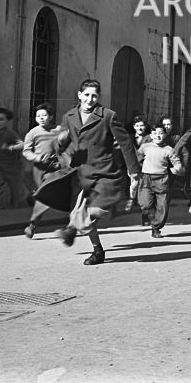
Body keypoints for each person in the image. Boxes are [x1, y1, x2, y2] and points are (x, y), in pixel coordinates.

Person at [53, 79, 139, 265]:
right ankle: (97, 250)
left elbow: (125, 144)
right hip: (81, 172)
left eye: (94, 96)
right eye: (87, 95)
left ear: (98, 97)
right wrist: (60, 140)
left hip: (104, 172)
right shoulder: (69, 116)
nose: (90, 99)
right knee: (80, 210)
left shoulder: (107, 116)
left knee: (93, 210)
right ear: (79, 95)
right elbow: (62, 144)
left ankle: (72, 229)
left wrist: (133, 172)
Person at [22, 103, 65, 238]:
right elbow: (26, 151)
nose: (41, 118)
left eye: (44, 115)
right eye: (38, 116)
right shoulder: (33, 133)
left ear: (51, 117)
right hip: (39, 169)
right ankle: (33, 197)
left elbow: (67, 145)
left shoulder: (58, 130)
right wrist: (38, 157)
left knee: (46, 195)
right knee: (42, 195)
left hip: (54, 169)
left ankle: (32, 225)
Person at [137, 121, 184, 238]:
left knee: (162, 206)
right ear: (151, 135)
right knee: (145, 203)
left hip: (162, 179)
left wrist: (176, 169)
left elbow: (176, 162)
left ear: (164, 135)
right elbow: (136, 159)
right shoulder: (145, 147)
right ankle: (151, 217)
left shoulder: (168, 149)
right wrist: (135, 170)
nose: (158, 135)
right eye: (155, 133)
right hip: (146, 178)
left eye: (160, 133)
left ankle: (156, 227)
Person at [125, 114, 149, 215]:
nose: (140, 128)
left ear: (145, 127)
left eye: (142, 125)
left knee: (144, 187)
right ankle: (131, 199)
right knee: (134, 184)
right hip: (133, 165)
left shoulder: (149, 138)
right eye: (137, 125)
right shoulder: (129, 138)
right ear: (134, 126)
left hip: (145, 165)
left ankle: (144, 209)